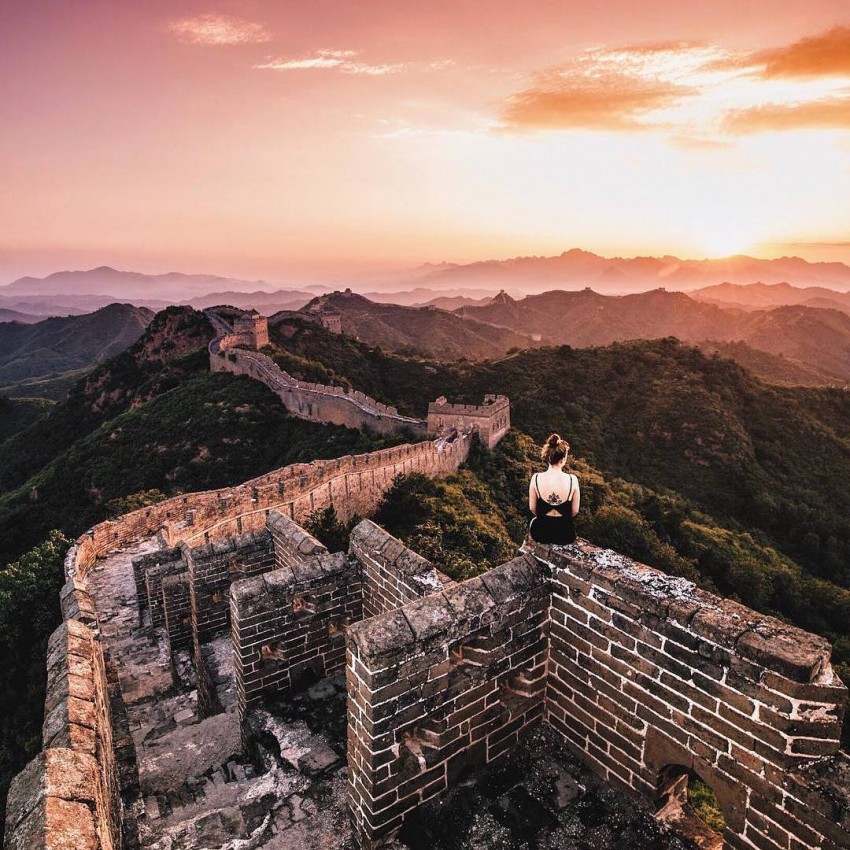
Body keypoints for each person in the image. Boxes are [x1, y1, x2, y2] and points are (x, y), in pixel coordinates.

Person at [528, 433, 580, 545]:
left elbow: (532, 508)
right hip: (565, 534)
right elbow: (575, 511)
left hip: (541, 533)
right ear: (563, 458)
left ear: (548, 456)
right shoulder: (572, 480)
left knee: (533, 522)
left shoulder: (536, 478)